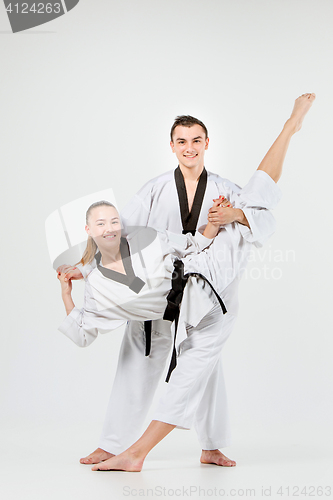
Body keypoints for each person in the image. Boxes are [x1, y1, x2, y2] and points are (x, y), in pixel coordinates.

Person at [58, 93, 315, 469]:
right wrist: (86, 268)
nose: (189, 147)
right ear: (172, 146)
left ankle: (210, 445)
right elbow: (120, 233)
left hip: (211, 293)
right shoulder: (156, 188)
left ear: (207, 143)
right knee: (137, 360)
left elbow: (262, 214)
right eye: (182, 141)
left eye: (197, 140)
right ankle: (113, 443)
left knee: (204, 366)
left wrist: (234, 213)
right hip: (158, 288)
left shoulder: (225, 189)